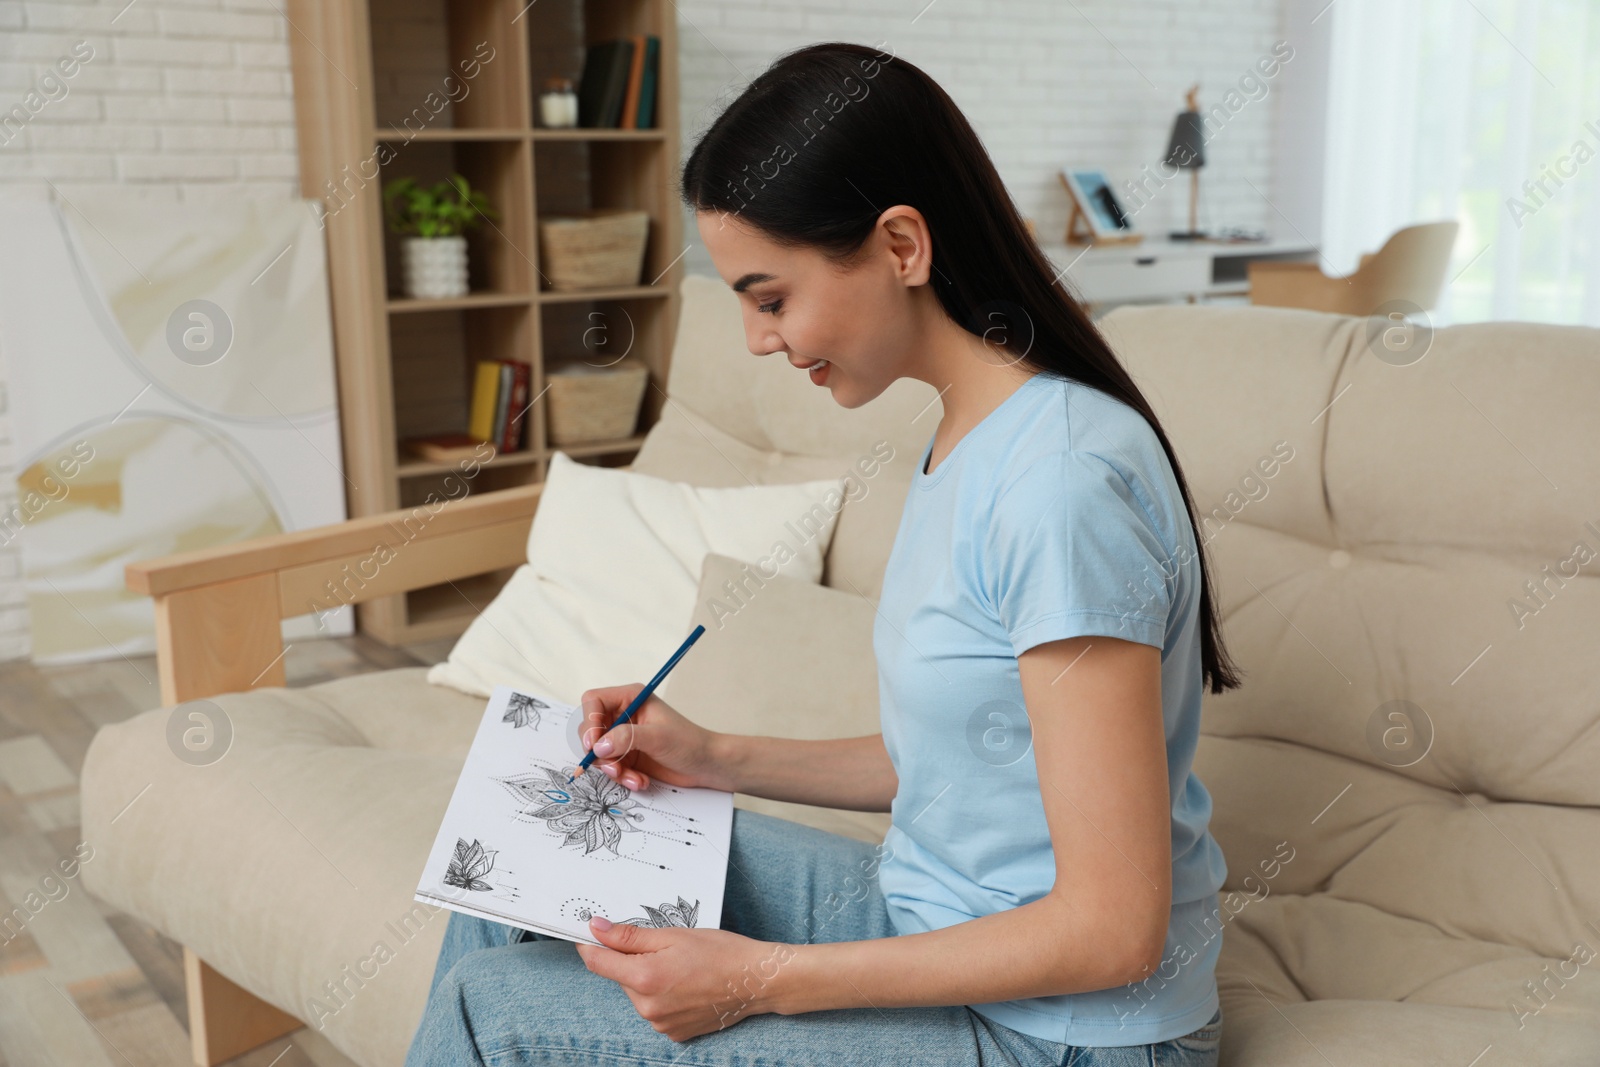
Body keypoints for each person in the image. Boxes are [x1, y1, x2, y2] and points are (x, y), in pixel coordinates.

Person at [407, 40, 1242, 1067]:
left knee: (488, 1009)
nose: (760, 339)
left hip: (1068, 1031)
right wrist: (711, 755)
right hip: (928, 915)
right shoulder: (964, 436)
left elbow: (1113, 930)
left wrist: (758, 979)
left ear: (900, 246)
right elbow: (970, 760)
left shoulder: (1060, 484)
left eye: (769, 297)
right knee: (519, 874)